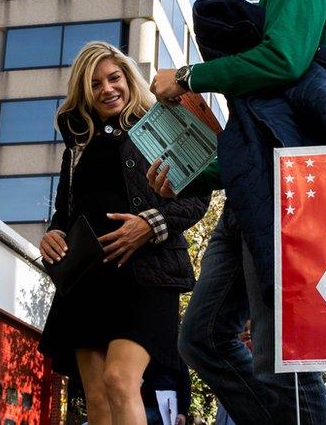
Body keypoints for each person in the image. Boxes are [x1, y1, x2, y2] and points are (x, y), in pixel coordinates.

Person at [148, 0, 326, 424]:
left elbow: (285, 58)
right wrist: (183, 179)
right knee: (202, 339)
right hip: (248, 190)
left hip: (283, 190)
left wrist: (190, 78)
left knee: (279, 347)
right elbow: (241, 147)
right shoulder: (256, 72)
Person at [37, 41, 208, 425]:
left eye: (114, 78)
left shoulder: (162, 124)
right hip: (87, 279)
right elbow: (65, 212)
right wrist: (53, 234)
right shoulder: (77, 146)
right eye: (95, 84)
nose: (107, 89)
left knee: (119, 381)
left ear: (128, 79)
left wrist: (149, 224)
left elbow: (197, 198)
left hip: (146, 275)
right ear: (85, 92)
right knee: (96, 399)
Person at [142, 360, 191, 425]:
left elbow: (185, 382)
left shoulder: (176, 354)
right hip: (149, 405)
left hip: (170, 408)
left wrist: (182, 412)